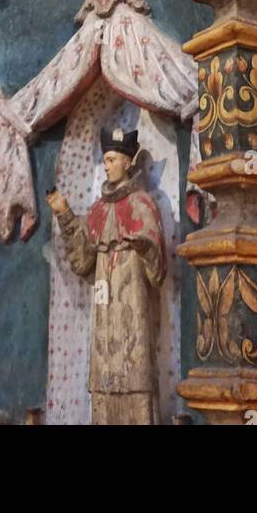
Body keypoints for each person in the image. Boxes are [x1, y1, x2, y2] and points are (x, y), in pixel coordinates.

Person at [46, 125, 166, 424]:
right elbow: (84, 260)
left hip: (132, 299)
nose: (108, 165)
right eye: (106, 159)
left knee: (135, 368)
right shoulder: (98, 209)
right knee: (104, 369)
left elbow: (157, 267)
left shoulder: (142, 203)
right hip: (104, 301)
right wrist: (64, 213)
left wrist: (143, 246)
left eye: (112, 159)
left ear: (128, 162)